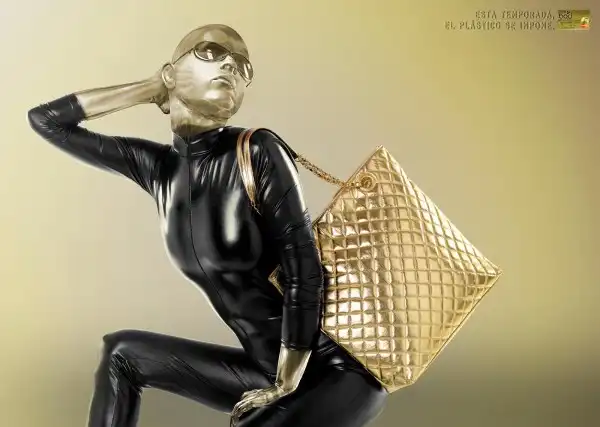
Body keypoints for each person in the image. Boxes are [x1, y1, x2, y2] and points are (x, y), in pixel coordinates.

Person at [27, 24, 387, 427]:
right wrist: (151, 88)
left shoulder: (258, 150)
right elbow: (47, 121)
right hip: (264, 369)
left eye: (242, 66)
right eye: (212, 52)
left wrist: (286, 383)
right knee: (121, 354)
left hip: (331, 373)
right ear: (171, 73)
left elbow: (306, 271)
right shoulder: (159, 170)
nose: (231, 65)